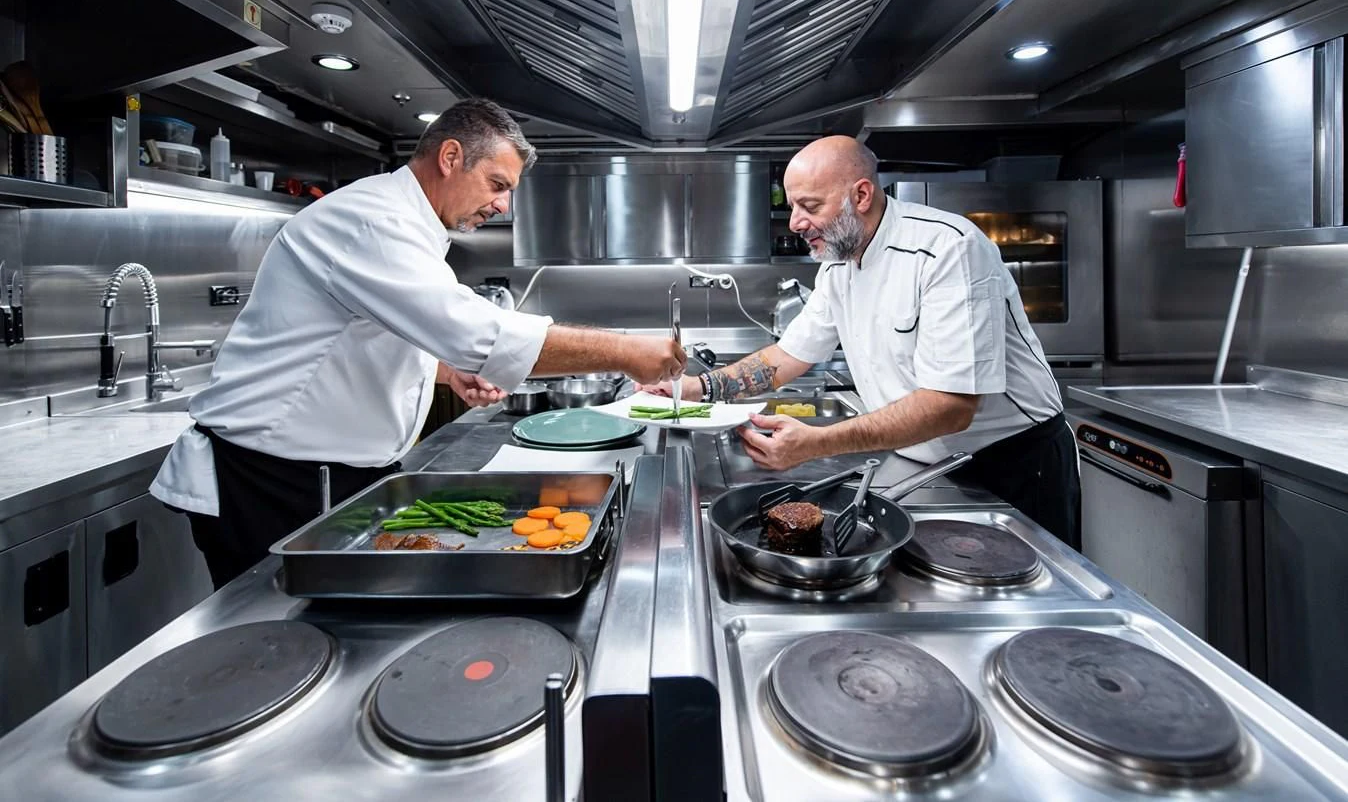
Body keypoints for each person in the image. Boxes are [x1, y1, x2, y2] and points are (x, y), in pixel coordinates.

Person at [152, 99, 684, 588]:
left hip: (328, 472)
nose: (501, 205)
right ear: (451, 156)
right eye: (497, 184)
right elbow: (475, 332)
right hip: (272, 479)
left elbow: (362, 335)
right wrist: (627, 350)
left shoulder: (410, 225)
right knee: (279, 639)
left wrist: (446, 373)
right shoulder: (370, 220)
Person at [650, 135, 1080, 547]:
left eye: (809, 206)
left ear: (860, 195)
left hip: (1012, 466)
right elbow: (787, 356)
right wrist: (696, 389)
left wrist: (816, 443)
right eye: (794, 206)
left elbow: (951, 406)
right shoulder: (838, 266)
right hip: (922, 458)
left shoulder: (948, 249)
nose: (795, 222)